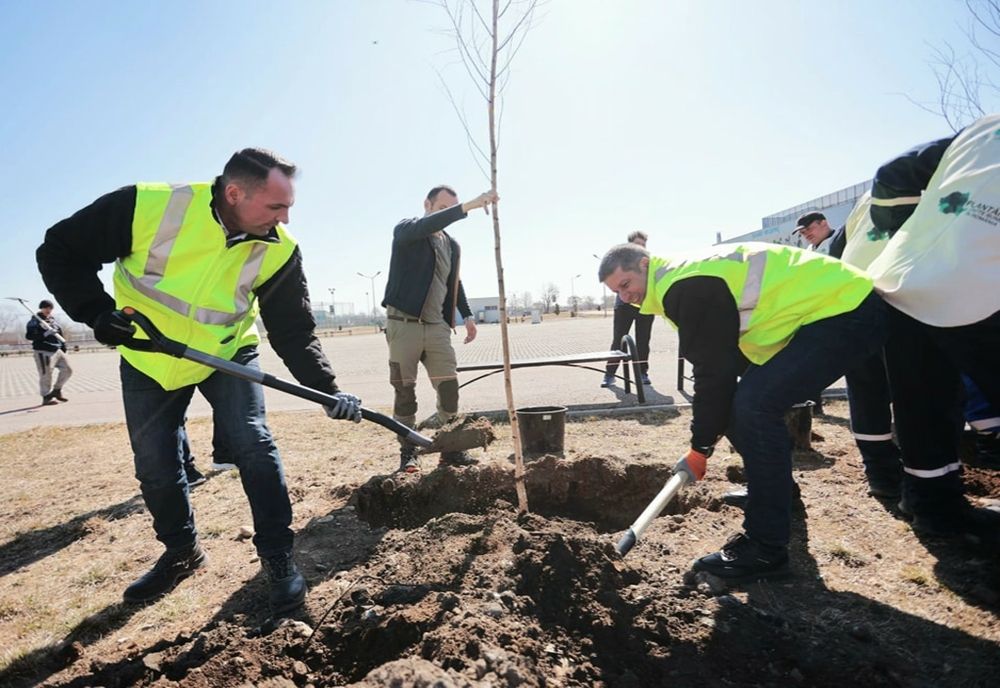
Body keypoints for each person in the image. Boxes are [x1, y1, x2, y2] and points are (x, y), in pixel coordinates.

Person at [36, 148, 363, 615]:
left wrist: (327, 389)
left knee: (253, 443)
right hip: (151, 357)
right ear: (234, 193)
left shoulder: (280, 248)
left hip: (228, 353)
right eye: (275, 206)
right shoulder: (148, 207)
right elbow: (59, 250)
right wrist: (95, 313)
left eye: (287, 206)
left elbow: (293, 329)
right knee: (155, 466)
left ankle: (277, 556)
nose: (285, 218)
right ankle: (181, 552)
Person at [599, 241, 885, 582]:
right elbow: (724, 366)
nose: (624, 296)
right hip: (828, 314)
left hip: (846, 309)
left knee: (755, 406)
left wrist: (700, 447)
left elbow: (713, 373)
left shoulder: (685, 285)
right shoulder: (679, 283)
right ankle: (775, 491)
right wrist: (714, 425)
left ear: (644, 264)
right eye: (618, 292)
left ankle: (765, 550)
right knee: (742, 404)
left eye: (626, 285)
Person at [865, 113, 1000, 543]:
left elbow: (891, 174)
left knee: (923, 401)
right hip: (980, 283)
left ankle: (933, 508)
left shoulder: (983, 128)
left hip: (903, 281)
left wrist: (916, 236)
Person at [382, 184, 498, 473]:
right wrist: (467, 207)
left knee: (449, 388)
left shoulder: (451, 244)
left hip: (437, 328)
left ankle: (450, 450)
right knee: (404, 391)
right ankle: (408, 452)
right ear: (427, 204)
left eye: (452, 207)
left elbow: (454, 282)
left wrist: (467, 315)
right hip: (403, 326)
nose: (446, 213)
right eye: (443, 207)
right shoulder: (407, 231)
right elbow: (428, 225)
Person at [795, 200, 904, 498]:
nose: (805, 235)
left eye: (808, 229)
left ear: (822, 223)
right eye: (801, 232)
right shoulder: (814, 250)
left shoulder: (844, 236)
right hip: (847, 320)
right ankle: (881, 472)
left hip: (887, 310)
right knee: (868, 390)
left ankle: (906, 469)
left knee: (900, 391)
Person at [603, 231, 654, 387]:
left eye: (643, 245)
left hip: (644, 305)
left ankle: (642, 372)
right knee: (618, 340)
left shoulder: (649, 262)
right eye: (638, 245)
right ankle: (609, 374)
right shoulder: (620, 262)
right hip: (624, 306)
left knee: (643, 340)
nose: (641, 248)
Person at [25, 299, 73, 406]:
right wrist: (45, 334)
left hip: (57, 350)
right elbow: (29, 336)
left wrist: (63, 347)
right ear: (41, 308)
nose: (48, 310)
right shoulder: (34, 321)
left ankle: (56, 390)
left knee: (68, 370)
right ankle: (46, 397)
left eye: (50, 308)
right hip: (43, 351)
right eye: (46, 307)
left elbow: (60, 334)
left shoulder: (53, 321)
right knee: (46, 375)